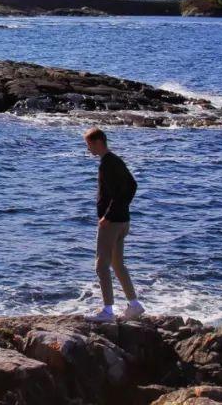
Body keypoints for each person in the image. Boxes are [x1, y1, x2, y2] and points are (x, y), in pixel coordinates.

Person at [83, 127, 144, 322]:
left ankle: (108, 311)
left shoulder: (107, 164)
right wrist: (122, 210)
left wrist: (107, 216)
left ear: (98, 142)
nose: (88, 149)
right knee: (118, 265)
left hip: (112, 223)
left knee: (101, 266)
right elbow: (132, 185)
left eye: (89, 145)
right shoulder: (116, 160)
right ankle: (134, 305)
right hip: (123, 221)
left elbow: (119, 193)